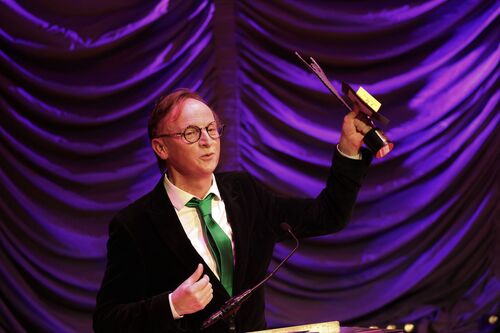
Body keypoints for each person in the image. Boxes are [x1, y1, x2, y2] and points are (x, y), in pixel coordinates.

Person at [93, 88, 372, 332]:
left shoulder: (245, 193)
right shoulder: (134, 224)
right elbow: (108, 321)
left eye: (212, 129)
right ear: (161, 147)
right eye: (191, 133)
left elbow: (328, 216)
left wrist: (348, 149)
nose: (207, 140)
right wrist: (171, 306)